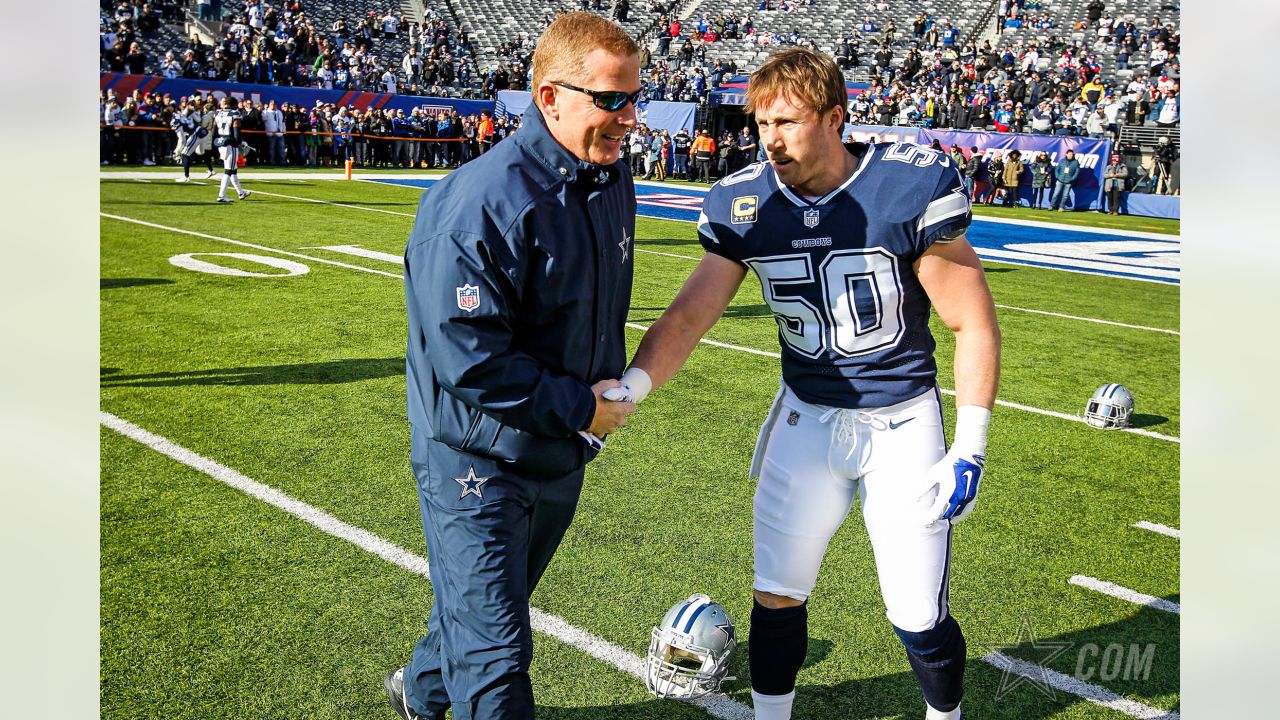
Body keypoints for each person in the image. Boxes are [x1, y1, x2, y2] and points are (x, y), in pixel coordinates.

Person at [613, 47, 1000, 720]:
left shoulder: (904, 188)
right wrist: (633, 387)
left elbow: (971, 322)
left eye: (787, 122)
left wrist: (970, 445)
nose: (770, 138)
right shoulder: (745, 203)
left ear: (835, 118)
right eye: (762, 123)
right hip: (807, 418)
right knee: (777, 592)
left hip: (901, 423)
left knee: (915, 612)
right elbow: (690, 316)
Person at [388, 12, 640, 720]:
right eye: (611, 99)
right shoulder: (479, 202)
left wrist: (582, 422)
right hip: (476, 460)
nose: (630, 118)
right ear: (550, 97)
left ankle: (421, 692)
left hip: (558, 452)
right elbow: (469, 360)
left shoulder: (609, 179)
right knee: (498, 661)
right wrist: (582, 408)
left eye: (634, 97)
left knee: (479, 618)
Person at [211, 96, 251, 203]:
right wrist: (240, 143)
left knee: (233, 169)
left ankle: (241, 192)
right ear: (234, 104)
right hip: (231, 144)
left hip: (221, 143)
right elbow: (236, 133)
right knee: (228, 171)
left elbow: (214, 131)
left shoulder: (218, 113)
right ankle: (221, 196)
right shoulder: (235, 114)